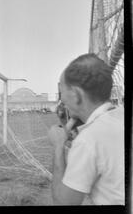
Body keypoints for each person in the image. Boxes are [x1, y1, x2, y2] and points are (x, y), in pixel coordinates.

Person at [48, 53, 124, 205]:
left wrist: (58, 147)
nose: (61, 100)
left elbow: (64, 202)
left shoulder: (88, 140)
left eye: (62, 93)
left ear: (76, 94)